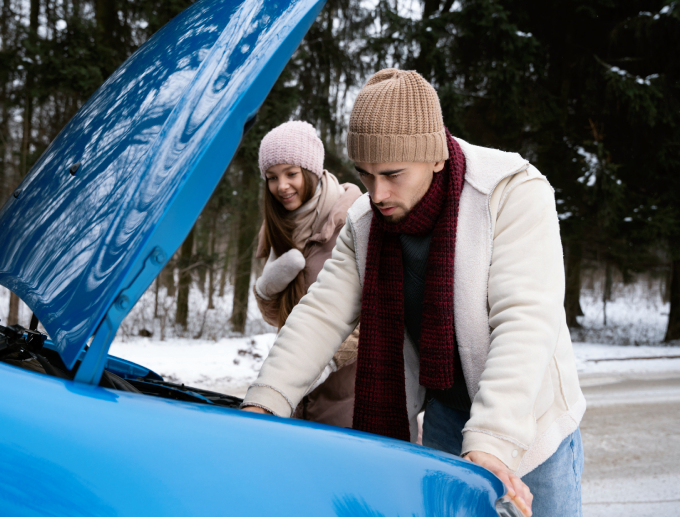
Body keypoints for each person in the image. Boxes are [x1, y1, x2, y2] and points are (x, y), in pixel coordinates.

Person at [241, 70, 585, 517]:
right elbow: (320, 315)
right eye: (365, 175)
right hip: (446, 417)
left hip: (529, 425)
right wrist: (265, 401)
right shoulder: (365, 222)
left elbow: (524, 321)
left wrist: (493, 444)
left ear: (435, 157)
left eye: (392, 174)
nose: (377, 194)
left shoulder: (511, 193)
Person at [252, 120, 362, 428]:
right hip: (294, 395)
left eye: (291, 173)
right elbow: (277, 319)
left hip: (344, 397)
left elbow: (371, 317)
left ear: (311, 171)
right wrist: (266, 291)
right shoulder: (276, 229)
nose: (281, 186)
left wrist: (320, 360)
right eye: (272, 177)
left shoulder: (352, 224)